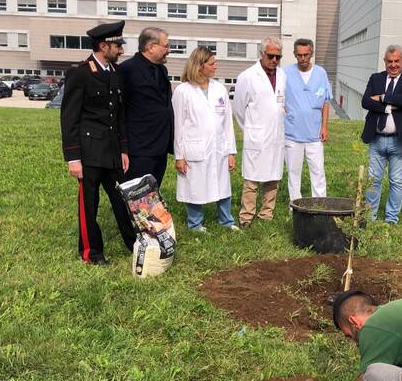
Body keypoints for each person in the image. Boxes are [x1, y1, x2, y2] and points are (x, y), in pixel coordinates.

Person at [60, 20, 135, 266]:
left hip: (112, 152)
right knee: (89, 206)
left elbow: (120, 116)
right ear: (103, 46)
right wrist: (73, 158)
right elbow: (69, 118)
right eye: (117, 46)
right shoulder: (80, 73)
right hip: (89, 153)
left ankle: (134, 244)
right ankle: (92, 252)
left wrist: (123, 149)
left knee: (122, 201)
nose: (122, 51)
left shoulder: (116, 74)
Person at [172, 47, 238, 232]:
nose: (215, 66)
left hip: (219, 147)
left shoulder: (220, 88)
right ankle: (195, 224)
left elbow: (227, 124)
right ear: (200, 66)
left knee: (223, 185)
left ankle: (227, 221)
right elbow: (178, 126)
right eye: (212, 63)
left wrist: (231, 151)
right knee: (194, 186)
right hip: (194, 148)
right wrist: (179, 156)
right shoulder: (183, 91)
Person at [361, 45, 402, 224]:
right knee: (373, 181)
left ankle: (391, 219)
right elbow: (365, 101)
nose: (393, 65)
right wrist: (392, 104)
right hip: (377, 139)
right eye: (390, 61)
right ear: (385, 62)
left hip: (399, 141)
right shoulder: (376, 78)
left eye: (397, 61)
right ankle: (369, 217)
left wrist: (381, 97)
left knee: (396, 181)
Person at [232, 36, 286, 227]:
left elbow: (281, 102)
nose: (274, 60)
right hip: (256, 135)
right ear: (262, 54)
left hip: (276, 135)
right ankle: (246, 217)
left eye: (278, 57)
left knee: (273, 178)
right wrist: (251, 129)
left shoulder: (282, 75)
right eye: (270, 56)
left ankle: (266, 215)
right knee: (252, 179)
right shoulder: (247, 76)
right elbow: (238, 109)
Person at [120, 27, 174, 188]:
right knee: (137, 193)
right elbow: (119, 109)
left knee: (152, 193)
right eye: (166, 46)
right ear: (151, 47)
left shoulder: (162, 70)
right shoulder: (127, 70)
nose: (169, 50)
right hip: (139, 147)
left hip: (160, 145)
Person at [283, 38, 332, 204]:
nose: (302, 58)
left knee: (318, 171)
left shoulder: (321, 73)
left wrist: (324, 127)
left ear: (311, 53)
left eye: (306, 55)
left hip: (314, 133)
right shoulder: (286, 73)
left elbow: (326, 101)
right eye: (299, 55)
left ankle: (320, 204)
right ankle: (295, 205)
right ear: (295, 55)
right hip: (292, 132)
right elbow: (277, 96)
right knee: (293, 172)